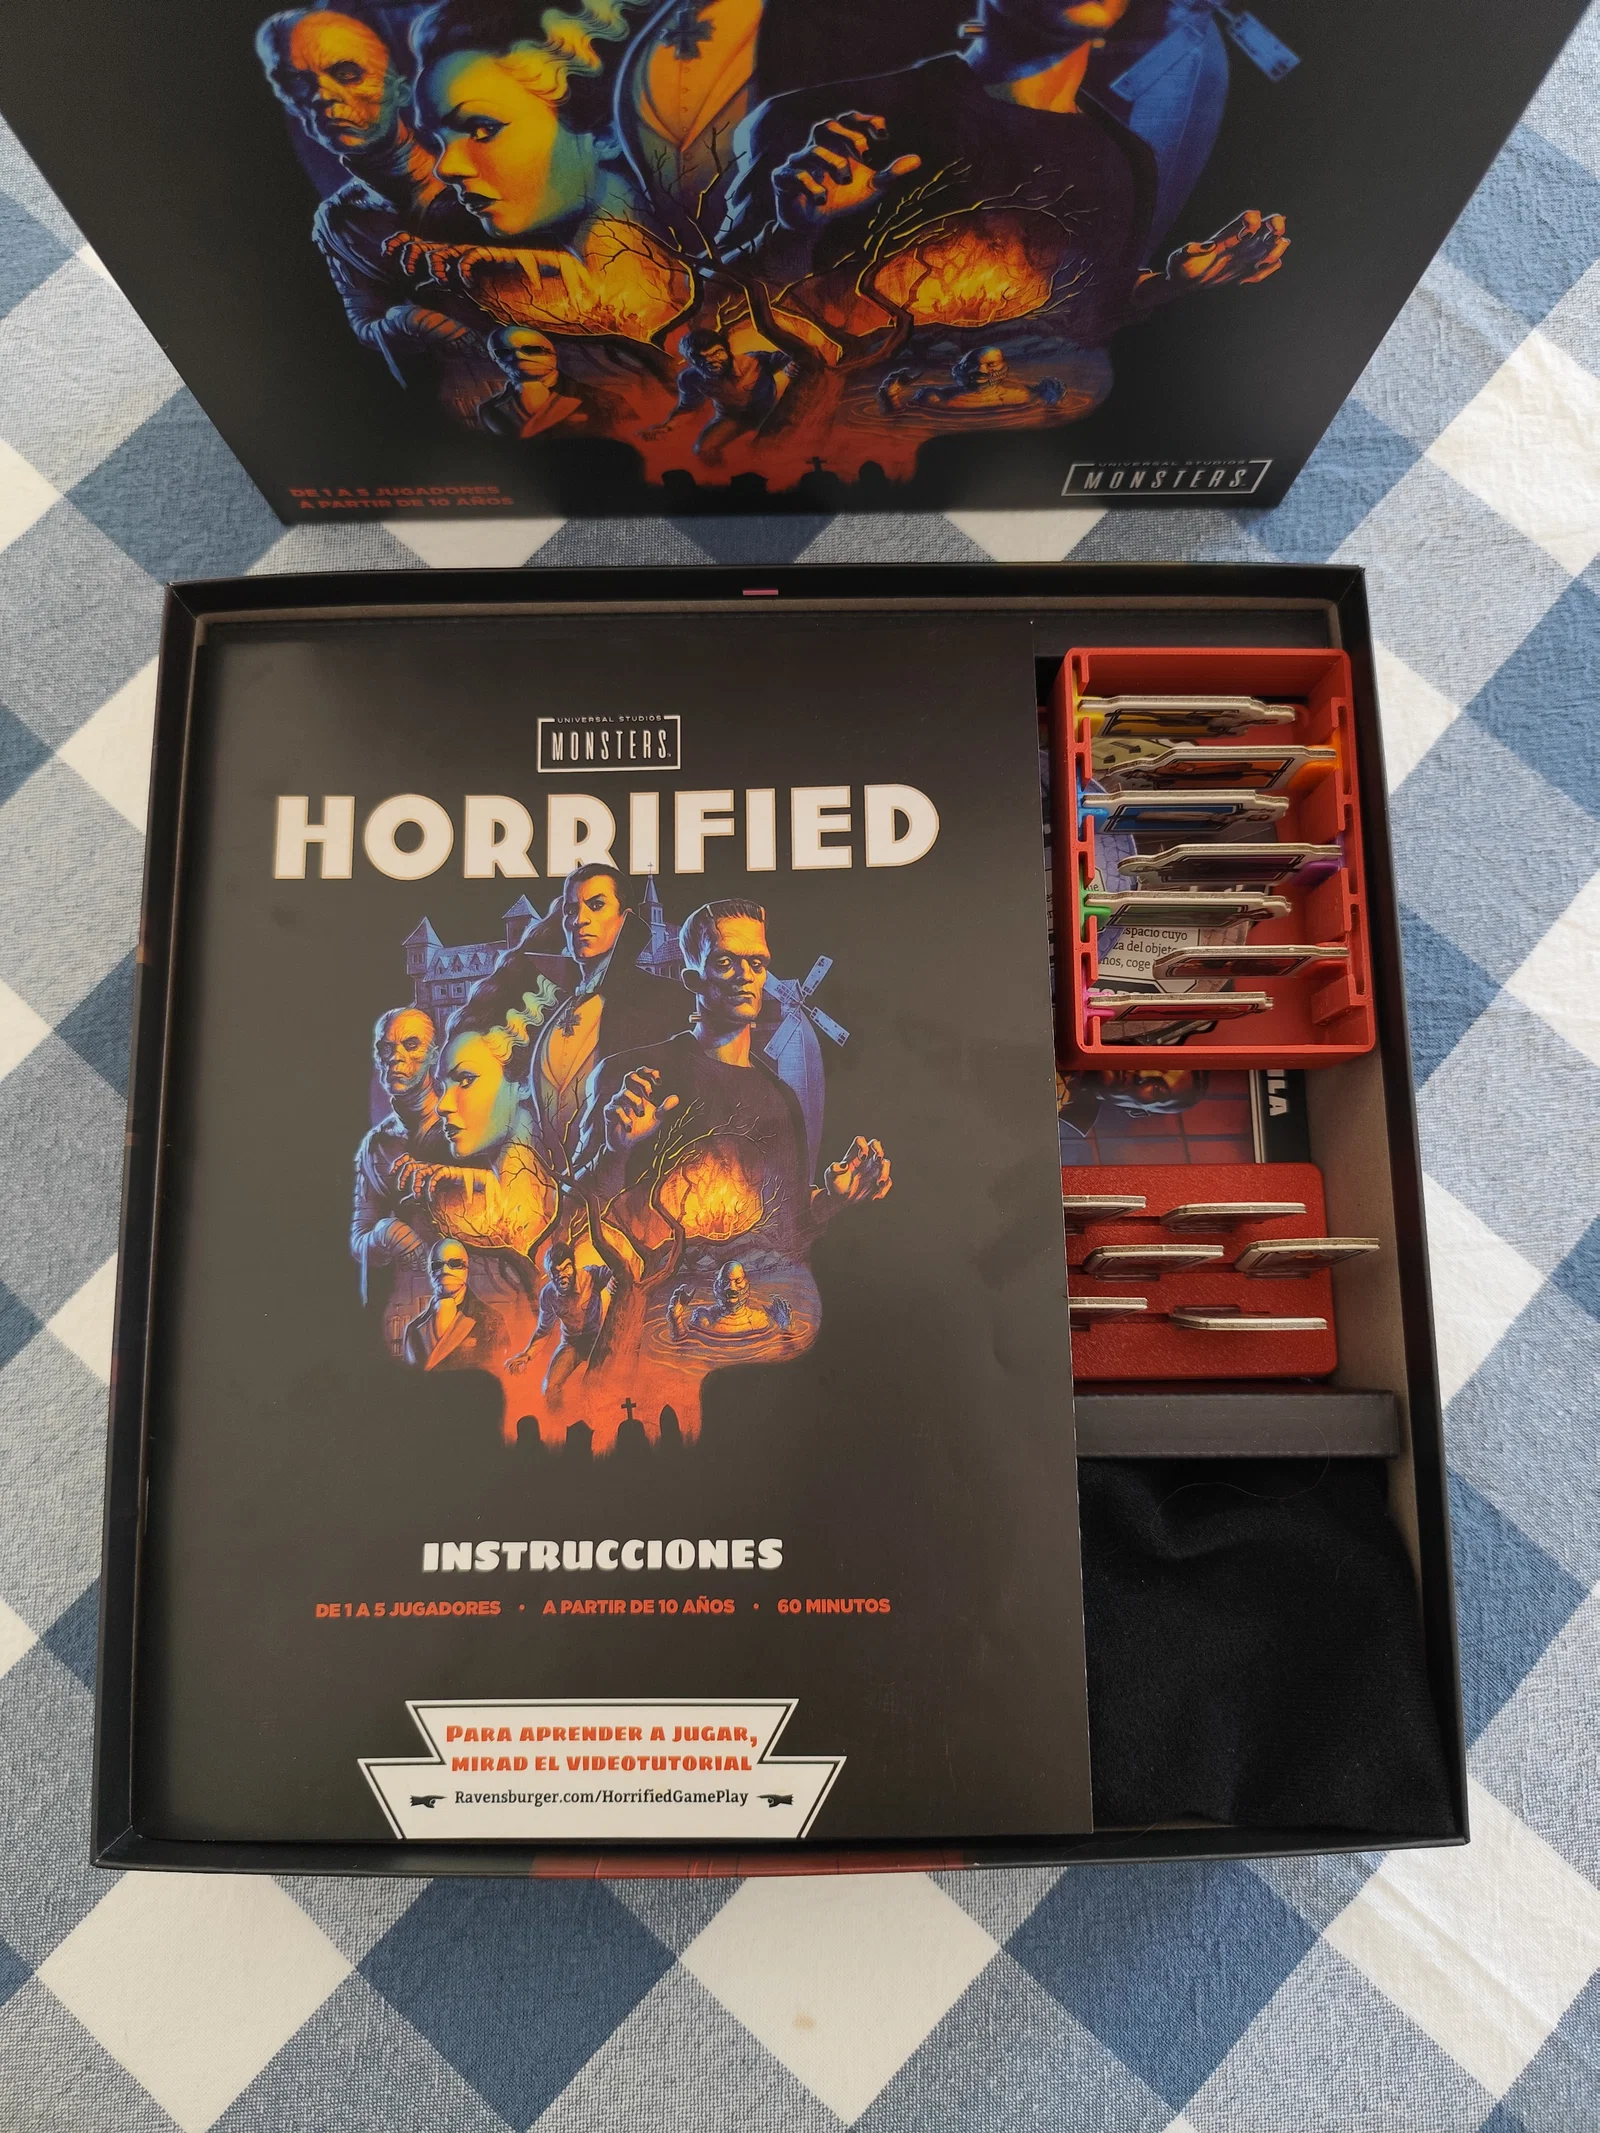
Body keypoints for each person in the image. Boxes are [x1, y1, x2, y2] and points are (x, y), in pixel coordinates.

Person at [718, 0, 1285, 349]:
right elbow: (704, 318)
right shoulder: (813, 122)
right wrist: (795, 232)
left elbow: (1073, 322)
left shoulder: (1125, 160)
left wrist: (1163, 287)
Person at [572, 898, 890, 1252]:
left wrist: (831, 1201)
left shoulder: (781, 1099)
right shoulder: (629, 1077)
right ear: (693, 980)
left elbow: (787, 1228)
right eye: (725, 962)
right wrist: (615, 1152)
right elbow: (571, 1215)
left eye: (757, 963)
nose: (745, 975)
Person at [379, 0, 692, 347]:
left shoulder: (715, 288)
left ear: (604, 132)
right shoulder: (491, 310)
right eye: (437, 142)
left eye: (482, 129)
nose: (446, 167)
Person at [256, 6, 492, 386]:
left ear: (399, 89)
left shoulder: (480, 167)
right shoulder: (339, 221)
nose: (322, 96)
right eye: (297, 83)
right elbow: (364, 320)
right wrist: (409, 322)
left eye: (347, 74)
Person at [465, 863, 687, 1166]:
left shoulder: (665, 999)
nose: (580, 920)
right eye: (571, 910)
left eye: (596, 905)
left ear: (624, 919)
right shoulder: (545, 1005)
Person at [390, 993, 561, 1258]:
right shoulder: (442, 1214)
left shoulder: (571, 1203)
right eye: (443, 1087)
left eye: (465, 1080)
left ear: (524, 1082)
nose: (442, 1105)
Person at [351, 1007, 450, 1346]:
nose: (395, 1057)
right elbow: (359, 1239)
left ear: (434, 1054)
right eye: (386, 1048)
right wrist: (390, 1235)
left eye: (411, 1045)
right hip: (408, 1309)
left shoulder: (465, 1126)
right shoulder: (376, 1145)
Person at [640, 327, 794, 461]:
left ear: (727, 350)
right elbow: (688, 408)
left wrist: (789, 367)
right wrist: (667, 427)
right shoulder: (691, 379)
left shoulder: (754, 360)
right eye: (700, 358)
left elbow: (790, 358)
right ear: (690, 361)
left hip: (770, 410)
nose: (711, 361)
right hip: (732, 418)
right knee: (703, 450)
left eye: (716, 353)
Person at [507, 1239, 615, 1395]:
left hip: (599, 1341)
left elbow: (617, 1273)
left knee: (594, 1386)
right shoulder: (548, 1294)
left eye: (567, 1268)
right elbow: (544, 1330)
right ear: (549, 1274)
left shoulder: (590, 1275)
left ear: (574, 1266)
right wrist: (527, 1355)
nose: (562, 1275)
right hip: (572, 1344)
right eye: (556, 1271)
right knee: (549, 1389)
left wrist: (612, 1281)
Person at [401, 1239, 510, 1368]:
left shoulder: (492, 1321)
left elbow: (501, 1371)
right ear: (430, 1271)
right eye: (437, 1265)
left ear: (467, 1269)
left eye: (454, 1263)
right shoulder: (413, 1329)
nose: (444, 1270)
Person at [668, 1257, 792, 1337]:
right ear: (717, 1285)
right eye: (725, 1281)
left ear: (746, 1283)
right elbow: (686, 1350)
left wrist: (786, 1328)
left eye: (738, 1281)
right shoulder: (703, 1318)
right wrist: (676, 1322)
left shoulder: (760, 1320)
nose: (731, 1288)